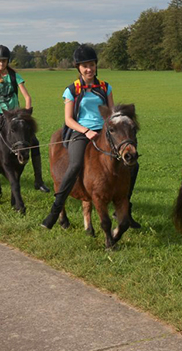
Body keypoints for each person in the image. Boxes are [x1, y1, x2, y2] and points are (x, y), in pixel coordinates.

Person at [41, 44, 140, 229]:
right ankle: (55, 210)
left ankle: (125, 206)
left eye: (92, 65)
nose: (89, 69)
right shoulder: (72, 90)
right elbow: (68, 119)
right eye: (85, 66)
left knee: (133, 165)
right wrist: (86, 131)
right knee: (76, 164)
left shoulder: (105, 87)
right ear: (78, 68)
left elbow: (112, 115)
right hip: (80, 132)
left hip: (105, 132)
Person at [0, 45, 50, 196]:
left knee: (35, 142)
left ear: (8, 61)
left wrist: (25, 114)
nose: (1, 63)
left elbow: (27, 97)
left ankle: (38, 180)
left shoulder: (15, 77)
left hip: (14, 116)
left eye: (4, 60)